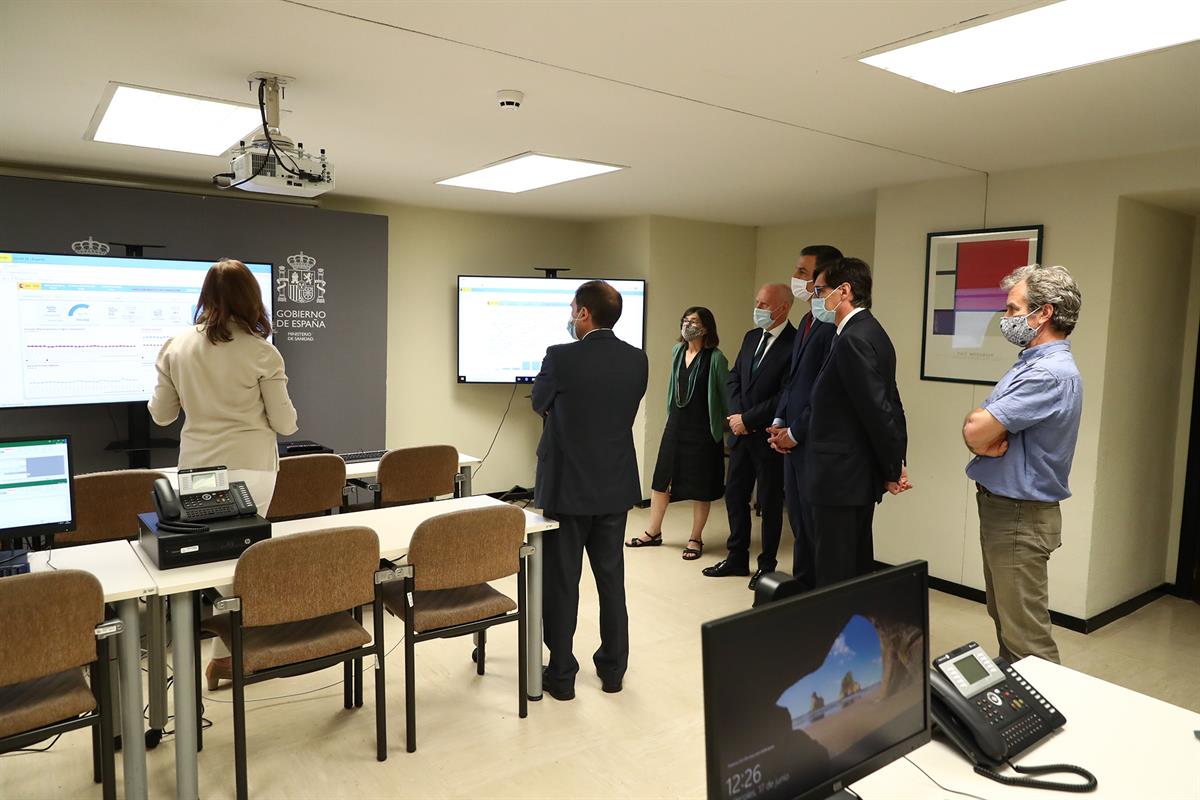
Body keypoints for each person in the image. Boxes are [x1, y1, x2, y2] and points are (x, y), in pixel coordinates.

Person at [149, 257, 298, 689]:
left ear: (205, 298)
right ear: (252, 299)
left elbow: (161, 416)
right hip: (253, 469)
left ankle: (223, 657)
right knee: (243, 561)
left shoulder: (175, 345)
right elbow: (286, 424)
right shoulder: (261, 350)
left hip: (197, 469)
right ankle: (229, 656)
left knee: (216, 562)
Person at [533, 280, 648, 700]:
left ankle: (561, 675)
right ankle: (613, 671)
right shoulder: (638, 360)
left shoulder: (560, 357)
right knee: (611, 580)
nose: (570, 316)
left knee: (563, 582)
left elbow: (538, 402)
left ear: (583, 314)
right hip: (614, 486)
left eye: (571, 309)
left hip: (567, 489)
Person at [962, 264, 1083, 665]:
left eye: (1014, 309)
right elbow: (979, 428)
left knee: (1027, 638)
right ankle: (1020, 713)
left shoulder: (1048, 373)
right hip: (1004, 510)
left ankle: (1049, 716)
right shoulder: (1032, 363)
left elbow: (976, 430)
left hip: (1019, 515)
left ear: (1043, 312)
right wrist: (981, 429)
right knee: (1007, 620)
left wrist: (981, 432)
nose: (1007, 318)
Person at [804, 257, 910, 587]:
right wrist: (895, 462)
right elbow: (890, 403)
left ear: (844, 291)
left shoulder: (853, 339)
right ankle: (851, 633)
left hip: (841, 478)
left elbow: (878, 409)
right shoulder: (869, 331)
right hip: (852, 475)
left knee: (836, 571)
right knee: (853, 565)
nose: (815, 298)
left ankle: (837, 635)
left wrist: (893, 468)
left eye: (820, 290)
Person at [703, 284, 795, 589]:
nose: (758, 308)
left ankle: (766, 565)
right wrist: (737, 416)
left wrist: (750, 419)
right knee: (735, 496)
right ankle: (736, 557)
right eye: (757, 301)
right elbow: (734, 378)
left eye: (764, 303)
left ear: (782, 308)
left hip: (768, 437)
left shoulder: (795, 343)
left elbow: (786, 394)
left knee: (769, 503)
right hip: (741, 435)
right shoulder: (752, 336)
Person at [767, 244, 843, 589]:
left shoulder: (833, 327)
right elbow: (794, 380)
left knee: (818, 529)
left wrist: (796, 431)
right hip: (792, 443)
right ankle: (802, 589)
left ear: (821, 279)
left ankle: (820, 596)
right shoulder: (809, 319)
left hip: (815, 444)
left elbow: (825, 393)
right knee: (798, 525)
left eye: (801, 272)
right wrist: (781, 421)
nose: (795, 278)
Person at [626, 307, 730, 561]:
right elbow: (674, 387)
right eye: (685, 320)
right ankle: (653, 531)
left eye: (693, 321)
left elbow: (726, 397)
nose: (688, 325)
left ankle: (695, 538)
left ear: (706, 327)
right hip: (677, 423)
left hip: (704, 428)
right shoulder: (678, 351)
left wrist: (728, 428)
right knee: (661, 480)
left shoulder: (716, 358)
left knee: (701, 486)